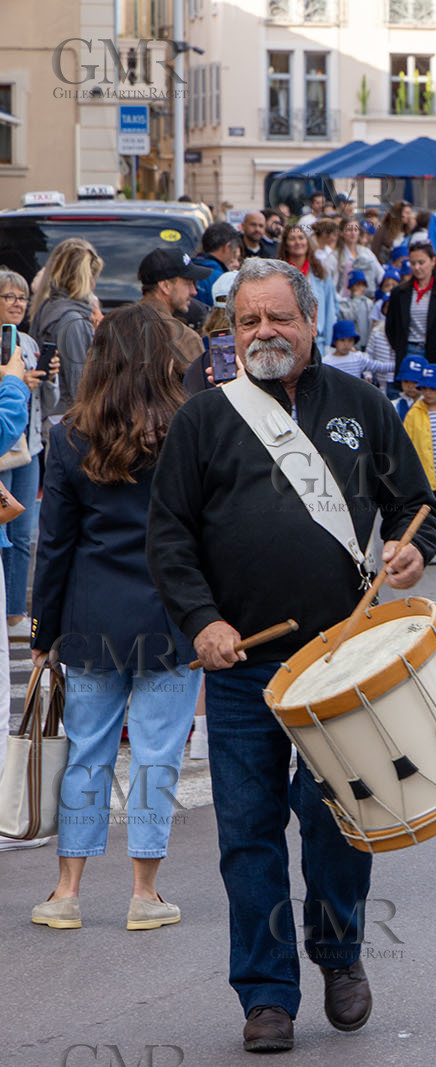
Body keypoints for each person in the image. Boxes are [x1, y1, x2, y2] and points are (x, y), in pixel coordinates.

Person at [146, 258, 436, 1053]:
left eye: (279, 318)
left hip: (341, 665)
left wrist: (415, 551)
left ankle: (339, 956)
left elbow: (417, 504)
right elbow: (168, 535)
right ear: (231, 331)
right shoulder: (204, 419)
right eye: (248, 322)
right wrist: (201, 620)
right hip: (241, 668)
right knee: (247, 829)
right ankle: (266, 994)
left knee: (339, 820)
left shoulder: (361, 404)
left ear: (311, 322)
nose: (264, 333)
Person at [27, 301, 200, 932]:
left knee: (87, 753)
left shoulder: (69, 434)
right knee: (158, 754)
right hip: (172, 614)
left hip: (92, 615)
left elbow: (56, 544)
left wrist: (43, 631)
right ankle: (144, 893)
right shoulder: (189, 427)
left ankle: (67, 891)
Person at [0, 271, 59, 637]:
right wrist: (13, 381)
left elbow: (48, 402)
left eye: (21, 298)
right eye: (8, 297)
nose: (17, 304)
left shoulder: (29, 342)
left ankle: (15, 613)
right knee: (3, 530)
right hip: (4, 449)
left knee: (23, 533)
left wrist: (48, 378)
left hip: (30, 445)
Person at [34, 239, 102, 416]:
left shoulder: (47, 307)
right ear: (88, 279)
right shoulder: (73, 320)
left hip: (49, 412)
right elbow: (78, 384)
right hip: (66, 416)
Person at [402, 363, 436, 563]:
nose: (428, 393)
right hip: (424, 473)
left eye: (433, 388)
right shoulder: (414, 412)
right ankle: (431, 546)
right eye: (424, 388)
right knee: (427, 513)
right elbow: (406, 440)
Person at [383, 240, 436, 374]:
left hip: (434, 353)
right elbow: (391, 325)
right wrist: (400, 347)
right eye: (413, 263)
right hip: (407, 351)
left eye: (421, 262)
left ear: (433, 261)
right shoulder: (399, 293)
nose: (417, 267)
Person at [276, 226, 337, 352]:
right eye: (292, 239)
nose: (298, 242)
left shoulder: (321, 273)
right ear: (286, 245)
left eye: (301, 238)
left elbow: (330, 310)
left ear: (307, 242)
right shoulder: (277, 274)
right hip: (288, 342)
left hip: (317, 342)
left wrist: (327, 345)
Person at [193, 222, 242, 308]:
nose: (234, 261)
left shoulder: (189, 269)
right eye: (233, 253)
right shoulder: (222, 280)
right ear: (227, 247)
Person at [335, 217, 381, 299]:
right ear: (341, 233)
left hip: (367, 300)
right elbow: (332, 285)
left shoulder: (367, 252)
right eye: (349, 230)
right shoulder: (336, 255)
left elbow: (380, 274)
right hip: (345, 301)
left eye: (356, 229)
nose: (353, 233)